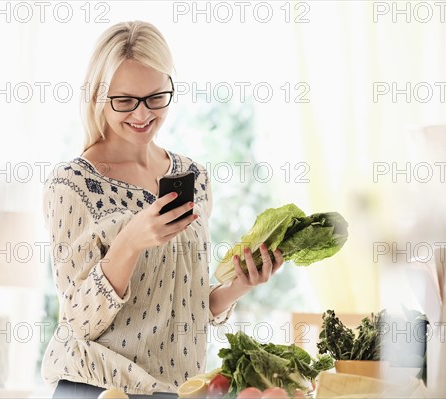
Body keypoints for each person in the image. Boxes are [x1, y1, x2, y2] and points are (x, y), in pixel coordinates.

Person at [41, 20, 283, 398]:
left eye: (156, 97)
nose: (142, 115)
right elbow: (79, 321)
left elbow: (186, 302)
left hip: (174, 389)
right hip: (95, 385)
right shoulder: (72, 185)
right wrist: (130, 242)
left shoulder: (194, 177)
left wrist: (238, 286)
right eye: (124, 100)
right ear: (96, 97)